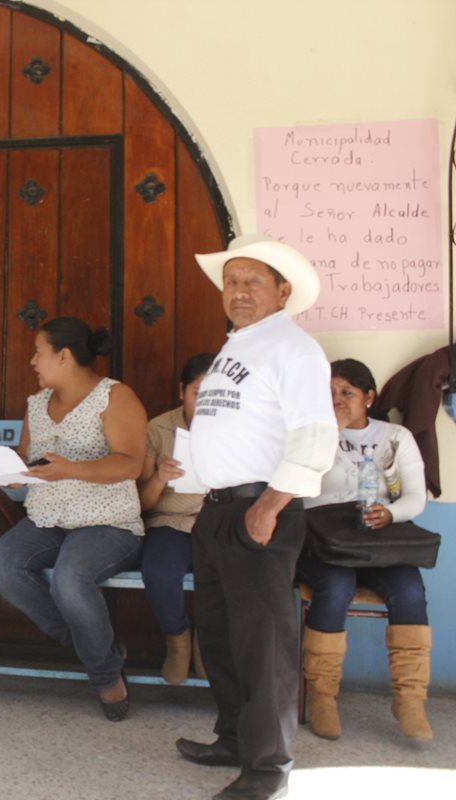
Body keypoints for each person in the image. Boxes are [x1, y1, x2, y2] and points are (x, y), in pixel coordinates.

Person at [175, 235, 336, 800]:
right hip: (219, 510)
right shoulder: (237, 346)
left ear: (282, 292)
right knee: (220, 636)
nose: (239, 292)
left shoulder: (293, 348)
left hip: (260, 509)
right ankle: (234, 739)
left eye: (253, 282)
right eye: (231, 281)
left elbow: (315, 438)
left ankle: (267, 770)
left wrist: (269, 505)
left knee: (263, 643)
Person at [0, 317, 147, 722]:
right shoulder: (36, 404)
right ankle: (91, 645)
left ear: (64, 355)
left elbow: (130, 464)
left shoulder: (115, 396)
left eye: (39, 352)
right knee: (2, 564)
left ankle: (106, 676)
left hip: (106, 522)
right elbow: (29, 459)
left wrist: (69, 468)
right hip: (46, 519)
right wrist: (11, 474)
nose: (32, 361)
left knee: (70, 578)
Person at [297, 359, 433, 741]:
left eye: (347, 393)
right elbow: (300, 487)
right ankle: (323, 697)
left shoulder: (395, 436)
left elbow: (415, 497)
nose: (336, 400)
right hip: (324, 544)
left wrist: (389, 514)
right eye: (329, 393)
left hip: (379, 542)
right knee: (335, 588)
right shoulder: (310, 435)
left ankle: (409, 699)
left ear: (369, 397)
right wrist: (329, 434)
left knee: (409, 590)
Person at [138, 352, 215, 685]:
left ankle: (208, 645)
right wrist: (159, 477)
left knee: (229, 572)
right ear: (182, 390)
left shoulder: (240, 430)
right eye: (199, 393)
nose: (207, 403)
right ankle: (178, 640)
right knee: (158, 570)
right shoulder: (158, 429)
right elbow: (142, 503)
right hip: (170, 521)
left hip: (217, 521)